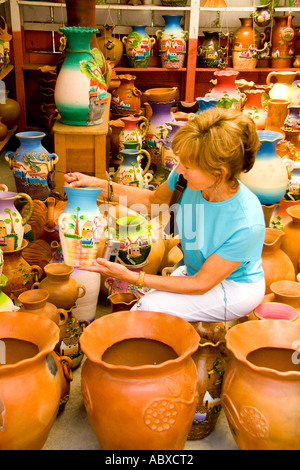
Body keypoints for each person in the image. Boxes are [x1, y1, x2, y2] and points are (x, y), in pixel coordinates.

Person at [64, 108, 266, 323]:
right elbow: (153, 202)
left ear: (218, 174)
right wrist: (99, 185)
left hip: (234, 287)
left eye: (187, 166)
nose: (179, 169)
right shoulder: (184, 178)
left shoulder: (246, 222)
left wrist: (131, 276)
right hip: (193, 271)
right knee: (147, 305)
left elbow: (200, 284)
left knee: (149, 307)